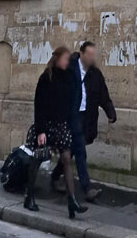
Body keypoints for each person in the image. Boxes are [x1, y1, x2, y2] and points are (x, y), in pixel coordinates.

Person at [24, 45, 88, 219]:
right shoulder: (46, 78)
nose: (67, 62)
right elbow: (39, 105)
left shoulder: (68, 77)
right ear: (58, 58)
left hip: (62, 125)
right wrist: (40, 130)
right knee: (38, 158)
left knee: (66, 159)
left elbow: (72, 101)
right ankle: (29, 196)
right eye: (65, 59)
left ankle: (71, 201)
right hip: (47, 125)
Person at [50, 41, 116, 202]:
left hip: (85, 117)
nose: (91, 58)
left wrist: (110, 112)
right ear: (81, 53)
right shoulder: (68, 67)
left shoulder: (95, 74)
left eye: (93, 55)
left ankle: (54, 176)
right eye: (89, 54)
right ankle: (86, 189)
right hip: (69, 116)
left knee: (72, 150)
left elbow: (103, 96)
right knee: (80, 151)